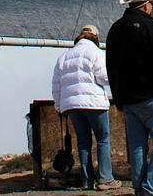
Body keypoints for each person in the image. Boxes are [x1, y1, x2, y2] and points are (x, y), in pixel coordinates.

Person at [106, 0, 153, 196]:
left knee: (137, 145)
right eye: (152, 5)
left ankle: (139, 187)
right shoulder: (151, 27)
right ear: (146, 6)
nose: (152, 9)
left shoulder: (115, 29)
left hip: (128, 99)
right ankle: (152, 188)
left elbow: (110, 65)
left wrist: (118, 97)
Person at [51, 25, 122, 191]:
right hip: (94, 103)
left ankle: (87, 181)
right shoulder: (96, 53)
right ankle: (105, 179)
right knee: (103, 140)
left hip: (72, 106)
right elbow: (103, 77)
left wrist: (59, 106)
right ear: (95, 38)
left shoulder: (63, 57)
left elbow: (56, 86)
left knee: (83, 142)